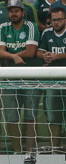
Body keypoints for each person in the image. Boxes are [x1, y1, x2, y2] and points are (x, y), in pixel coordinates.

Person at [0, 0, 41, 153]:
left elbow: (30, 51)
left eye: (16, 10)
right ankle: (17, 152)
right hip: (9, 77)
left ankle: (29, 153)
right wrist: (15, 57)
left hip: (30, 76)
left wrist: (12, 55)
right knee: (11, 116)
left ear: (23, 12)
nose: (13, 13)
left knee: (30, 117)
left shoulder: (31, 26)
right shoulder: (3, 27)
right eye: (11, 10)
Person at [36, 7, 66, 147]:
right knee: (54, 117)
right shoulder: (47, 33)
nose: (56, 23)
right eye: (54, 20)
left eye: (59, 19)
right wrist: (45, 56)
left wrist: (57, 56)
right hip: (53, 81)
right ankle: (55, 149)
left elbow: (57, 55)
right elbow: (39, 52)